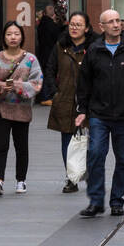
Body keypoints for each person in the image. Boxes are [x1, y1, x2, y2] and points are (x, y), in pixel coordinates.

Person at [75, 9, 124, 217]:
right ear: (102, 27)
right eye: (111, 22)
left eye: (118, 20)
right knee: (96, 155)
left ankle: (117, 200)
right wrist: (82, 109)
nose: (116, 25)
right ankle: (96, 201)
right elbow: (84, 82)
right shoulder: (94, 50)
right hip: (99, 113)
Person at [0, 22, 43, 195]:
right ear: (4, 37)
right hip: (1, 108)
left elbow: (37, 83)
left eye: (16, 34)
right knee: (2, 145)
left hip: (22, 110)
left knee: (21, 146)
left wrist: (18, 86)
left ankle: (21, 180)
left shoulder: (31, 59)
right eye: (9, 34)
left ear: (22, 36)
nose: (13, 37)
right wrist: (0, 86)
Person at [42, 11, 95, 193]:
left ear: (86, 28)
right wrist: (54, 92)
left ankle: (88, 173)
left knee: (90, 141)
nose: (74, 27)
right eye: (72, 24)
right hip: (64, 100)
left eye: (78, 24)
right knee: (67, 141)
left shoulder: (94, 47)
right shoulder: (60, 46)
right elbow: (49, 69)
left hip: (89, 102)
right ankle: (71, 178)